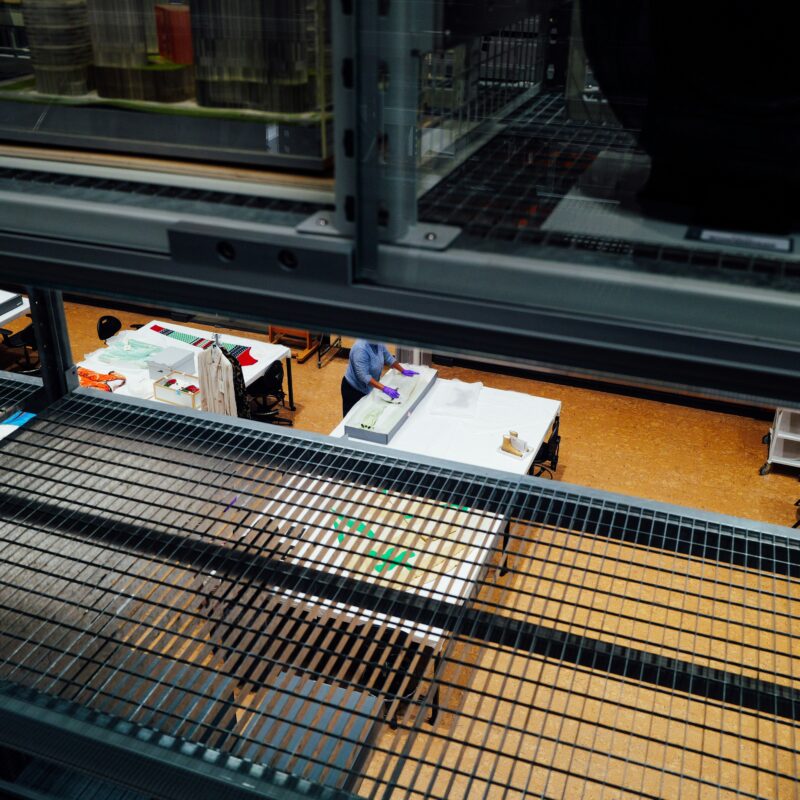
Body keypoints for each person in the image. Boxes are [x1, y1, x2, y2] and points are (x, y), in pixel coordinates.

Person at [341, 340, 418, 417]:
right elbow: (363, 376)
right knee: (351, 416)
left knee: (365, 413)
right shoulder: (360, 349)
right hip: (354, 390)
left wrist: (402, 370)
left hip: (369, 387)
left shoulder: (378, 342)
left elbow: (388, 357)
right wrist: (384, 388)